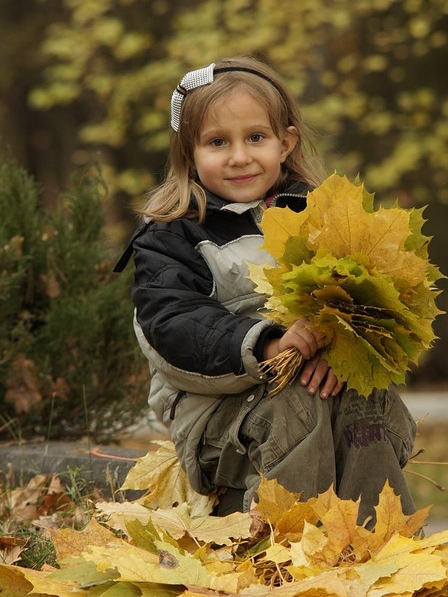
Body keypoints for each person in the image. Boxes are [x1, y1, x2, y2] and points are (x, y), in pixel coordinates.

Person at [117, 54, 417, 523]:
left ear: (285, 141)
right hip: (217, 414)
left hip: (322, 388)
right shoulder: (173, 236)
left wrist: (343, 350)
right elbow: (173, 324)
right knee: (296, 406)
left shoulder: (321, 218)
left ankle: (380, 553)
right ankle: (284, 554)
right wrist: (269, 342)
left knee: (366, 405)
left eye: (255, 137)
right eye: (218, 142)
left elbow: (367, 294)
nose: (239, 156)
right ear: (189, 154)